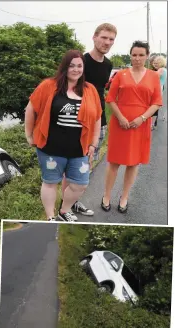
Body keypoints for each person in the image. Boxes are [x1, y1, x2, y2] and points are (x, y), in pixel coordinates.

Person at [25, 50, 102, 222]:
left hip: (79, 148)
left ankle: (64, 209)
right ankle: (50, 216)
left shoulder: (90, 90)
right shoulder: (48, 86)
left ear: (83, 68)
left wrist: (93, 144)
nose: (75, 69)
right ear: (64, 68)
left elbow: (97, 118)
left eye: (79, 66)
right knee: (50, 182)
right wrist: (29, 135)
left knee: (80, 183)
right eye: (71, 66)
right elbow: (31, 109)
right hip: (51, 148)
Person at [61, 23, 117, 220]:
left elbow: (101, 92)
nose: (107, 42)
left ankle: (71, 202)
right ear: (94, 37)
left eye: (111, 39)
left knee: (87, 162)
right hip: (77, 122)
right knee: (74, 164)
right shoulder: (81, 62)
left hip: (99, 121)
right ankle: (65, 206)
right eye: (104, 38)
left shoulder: (109, 64)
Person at [101, 41, 162, 213]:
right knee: (114, 162)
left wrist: (142, 118)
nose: (137, 58)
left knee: (133, 163)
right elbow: (111, 98)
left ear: (147, 56)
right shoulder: (121, 74)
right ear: (130, 56)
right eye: (134, 55)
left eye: (141, 55)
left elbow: (157, 102)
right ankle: (106, 195)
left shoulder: (153, 76)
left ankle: (124, 197)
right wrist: (120, 117)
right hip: (120, 123)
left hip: (140, 125)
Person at [151, 55, 167, 129]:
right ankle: (153, 124)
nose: (155, 64)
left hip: (156, 89)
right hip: (160, 89)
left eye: (157, 63)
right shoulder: (164, 70)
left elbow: (153, 76)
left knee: (154, 107)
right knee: (156, 107)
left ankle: (151, 124)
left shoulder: (161, 70)